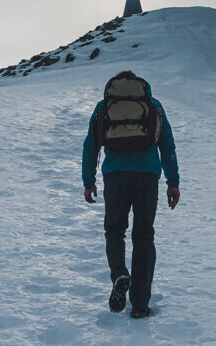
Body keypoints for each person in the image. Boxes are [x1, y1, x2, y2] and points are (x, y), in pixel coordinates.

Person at [82, 70, 180, 319]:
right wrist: (173, 181)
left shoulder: (104, 106)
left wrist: (88, 181)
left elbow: (90, 145)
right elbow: (167, 144)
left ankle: (119, 274)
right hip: (147, 176)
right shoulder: (153, 105)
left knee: (115, 231)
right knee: (144, 236)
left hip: (115, 175)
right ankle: (139, 305)